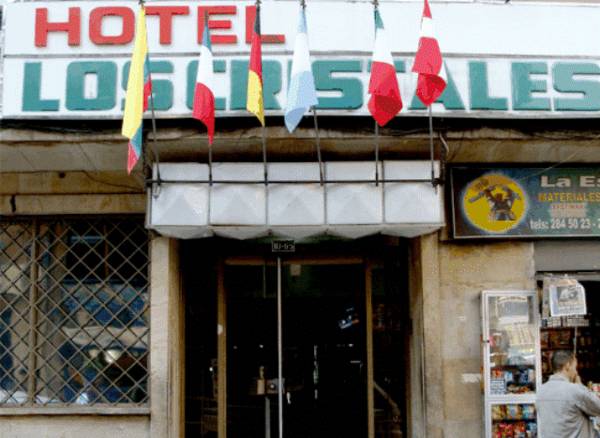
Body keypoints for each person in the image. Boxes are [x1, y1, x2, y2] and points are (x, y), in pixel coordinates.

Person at [537, 351, 600, 437]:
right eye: (575, 367)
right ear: (568, 365)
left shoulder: (541, 391)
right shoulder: (574, 390)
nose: (576, 372)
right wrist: (580, 385)